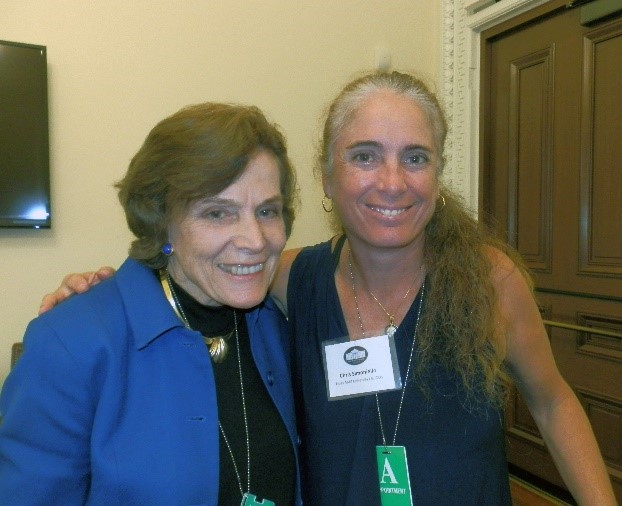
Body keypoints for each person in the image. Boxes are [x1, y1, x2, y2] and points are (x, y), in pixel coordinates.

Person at [37, 72, 617, 505]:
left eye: (415, 158)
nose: (392, 181)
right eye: (365, 156)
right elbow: (200, 267)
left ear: (437, 175)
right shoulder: (290, 279)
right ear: (327, 175)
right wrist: (98, 290)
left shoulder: (490, 281)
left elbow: (553, 400)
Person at [0, 102, 302, 505]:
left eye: (267, 211)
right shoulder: (71, 343)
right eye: (217, 213)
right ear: (162, 222)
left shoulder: (282, 322)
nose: (255, 240)